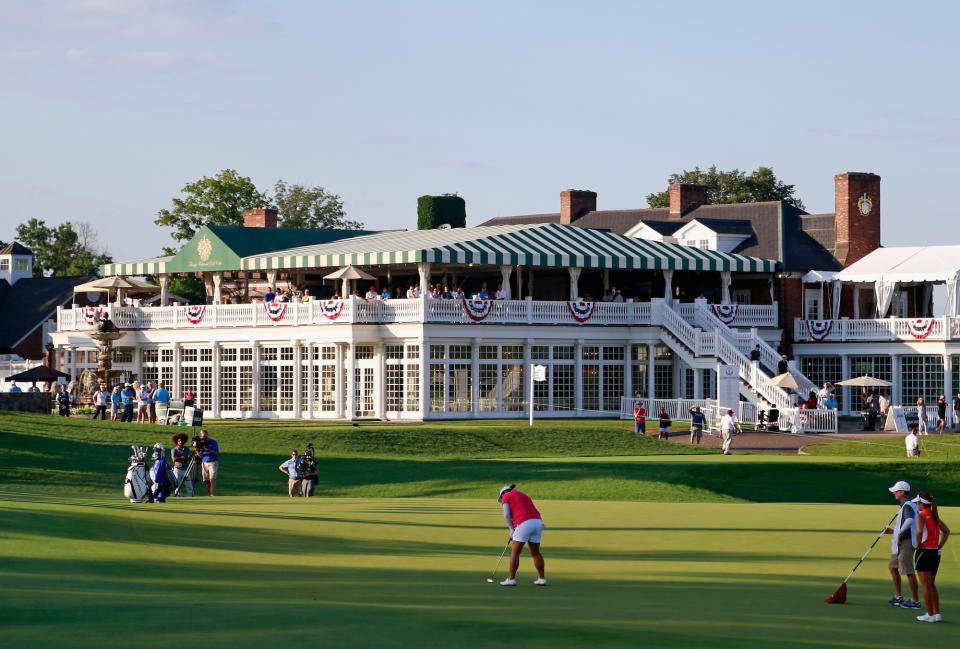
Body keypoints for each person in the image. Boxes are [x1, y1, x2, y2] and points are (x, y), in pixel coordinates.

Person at [882, 480, 922, 609]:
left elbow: (910, 520)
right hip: (900, 541)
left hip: (907, 542)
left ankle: (916, 602)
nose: (893, 493)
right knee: (893, 567)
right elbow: (907, 523)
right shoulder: (905, 505)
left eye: (896, 491)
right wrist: (894, 532)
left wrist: (900, 533)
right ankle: (898, 596)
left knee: (908, 571)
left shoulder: (908, 505)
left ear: (902, 492)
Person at [497, 485, 546, 587]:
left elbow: (506, 515)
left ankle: (511, 579)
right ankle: (542, 579)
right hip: (538, 522)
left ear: (502, 494)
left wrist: (511, 529)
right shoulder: (523, 495)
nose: (502, 501)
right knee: (535, 553)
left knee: (515, 552)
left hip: (524, 523)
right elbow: (519, 512)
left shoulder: (506, 495)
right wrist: (514, 530)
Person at [913, 492, 950, 622]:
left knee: (925, 585)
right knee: (932, 584)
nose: (917, 504)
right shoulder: (935, 516)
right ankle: (937, 614)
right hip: (935, 553)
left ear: (922, 503)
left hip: (924, 553)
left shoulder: (921, 516)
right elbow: (947, 531)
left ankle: (929, 614)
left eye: (917, 502)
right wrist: (939, 546)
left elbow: (918, 531)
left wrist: (917, 544)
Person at [170, 433, 194, 497]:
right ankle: (178, 497)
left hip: (186, 469)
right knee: (177, 485)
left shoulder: (187, 449)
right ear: (177, 442)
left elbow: (189, 458)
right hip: (177, 469)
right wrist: (183, 458)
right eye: (179, 441)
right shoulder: (174, 450)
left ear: (184, 441)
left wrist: (181, 459)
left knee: (189, 484)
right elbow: (174, 459)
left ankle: (191, 497)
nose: (180, 442)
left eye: (181, 441)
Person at [197, 429, 219, 496]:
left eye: (205, 436)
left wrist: (207, 450)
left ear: (208, 435)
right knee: (206, 480)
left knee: (212, 478)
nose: (204, 438)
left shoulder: (213, 442)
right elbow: (201, 456)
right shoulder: (201, 443)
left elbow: (216, 453)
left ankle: (212, 494)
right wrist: (196, 450)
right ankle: (210, 494)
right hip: (204, 463)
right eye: (203, 436)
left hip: (213, 462)